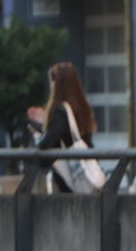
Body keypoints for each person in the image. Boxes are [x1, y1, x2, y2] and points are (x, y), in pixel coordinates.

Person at [37, 62, 98, 194]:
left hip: (68, 180)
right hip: (84, 173)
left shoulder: (61, 112)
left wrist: (40, 136)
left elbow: (48, 143)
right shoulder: (83, 107)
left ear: (57, 85)